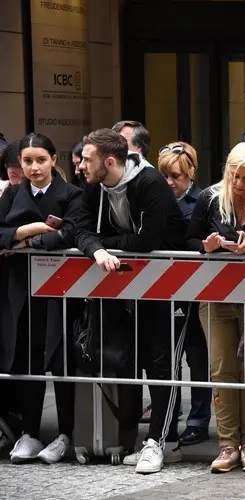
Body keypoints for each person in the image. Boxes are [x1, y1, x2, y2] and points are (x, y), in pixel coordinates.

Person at [74, 128, 188, 474]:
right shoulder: (94, 186)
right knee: (128, 359)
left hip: (168, 284)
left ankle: (159, 442)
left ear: (109, 161)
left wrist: (105, 241)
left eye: (87, 159)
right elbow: (81, 228)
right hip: (125, 287)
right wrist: (96, 250)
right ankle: (134, 438)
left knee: (160, 363)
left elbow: (148, 240)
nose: (80, 166)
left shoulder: (150, 183)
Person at [185, 141, 245, 473]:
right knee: (222, 367)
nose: (239, 184)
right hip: (215, 294)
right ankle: (227, 444)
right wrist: (205, 246)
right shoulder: (209, 197)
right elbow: (187, 240)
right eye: (234, 176)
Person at [0, 133, 83, 465]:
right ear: (19, 163)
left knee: (61, 363)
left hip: (63, 291)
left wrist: (21, 244)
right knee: (28, 361)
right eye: (27, 161)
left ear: (54, 160)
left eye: (40, 160)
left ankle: (65, 434)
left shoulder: (72, 194)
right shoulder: (12, 194)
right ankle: (30, 433)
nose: (34, 167)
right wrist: (27, 230)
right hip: (22, 291)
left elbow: (71, 233)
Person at [155, 142, 211, 448]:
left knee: (198, 356)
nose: (169, 182)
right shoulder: (156, 199)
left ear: (190, 172)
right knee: (167, 357)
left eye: (175, 175)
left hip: (196, 290)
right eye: (164, 175)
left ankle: (199, 420)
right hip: (163, 289)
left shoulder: (203, 200)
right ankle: (168, 415)